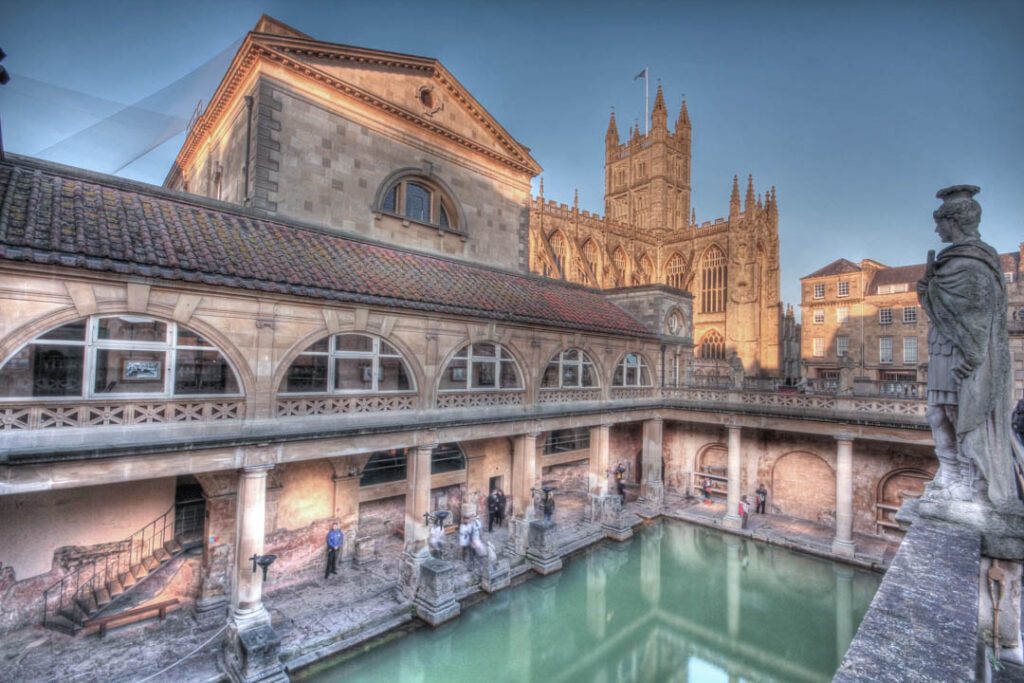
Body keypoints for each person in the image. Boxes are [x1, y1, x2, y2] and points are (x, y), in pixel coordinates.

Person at [917, 185, 1020, 505]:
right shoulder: (952, 260)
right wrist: (926, 288)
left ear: (955, 221)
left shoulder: (974, 261)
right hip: (943, 346)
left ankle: (969, 480)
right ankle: (949, 473)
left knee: (958, 413)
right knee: (937, 413)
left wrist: (974, 354)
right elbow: (940, 304)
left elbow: (978, 313)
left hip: (962, 353)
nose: (937, 230)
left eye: (941, 223)